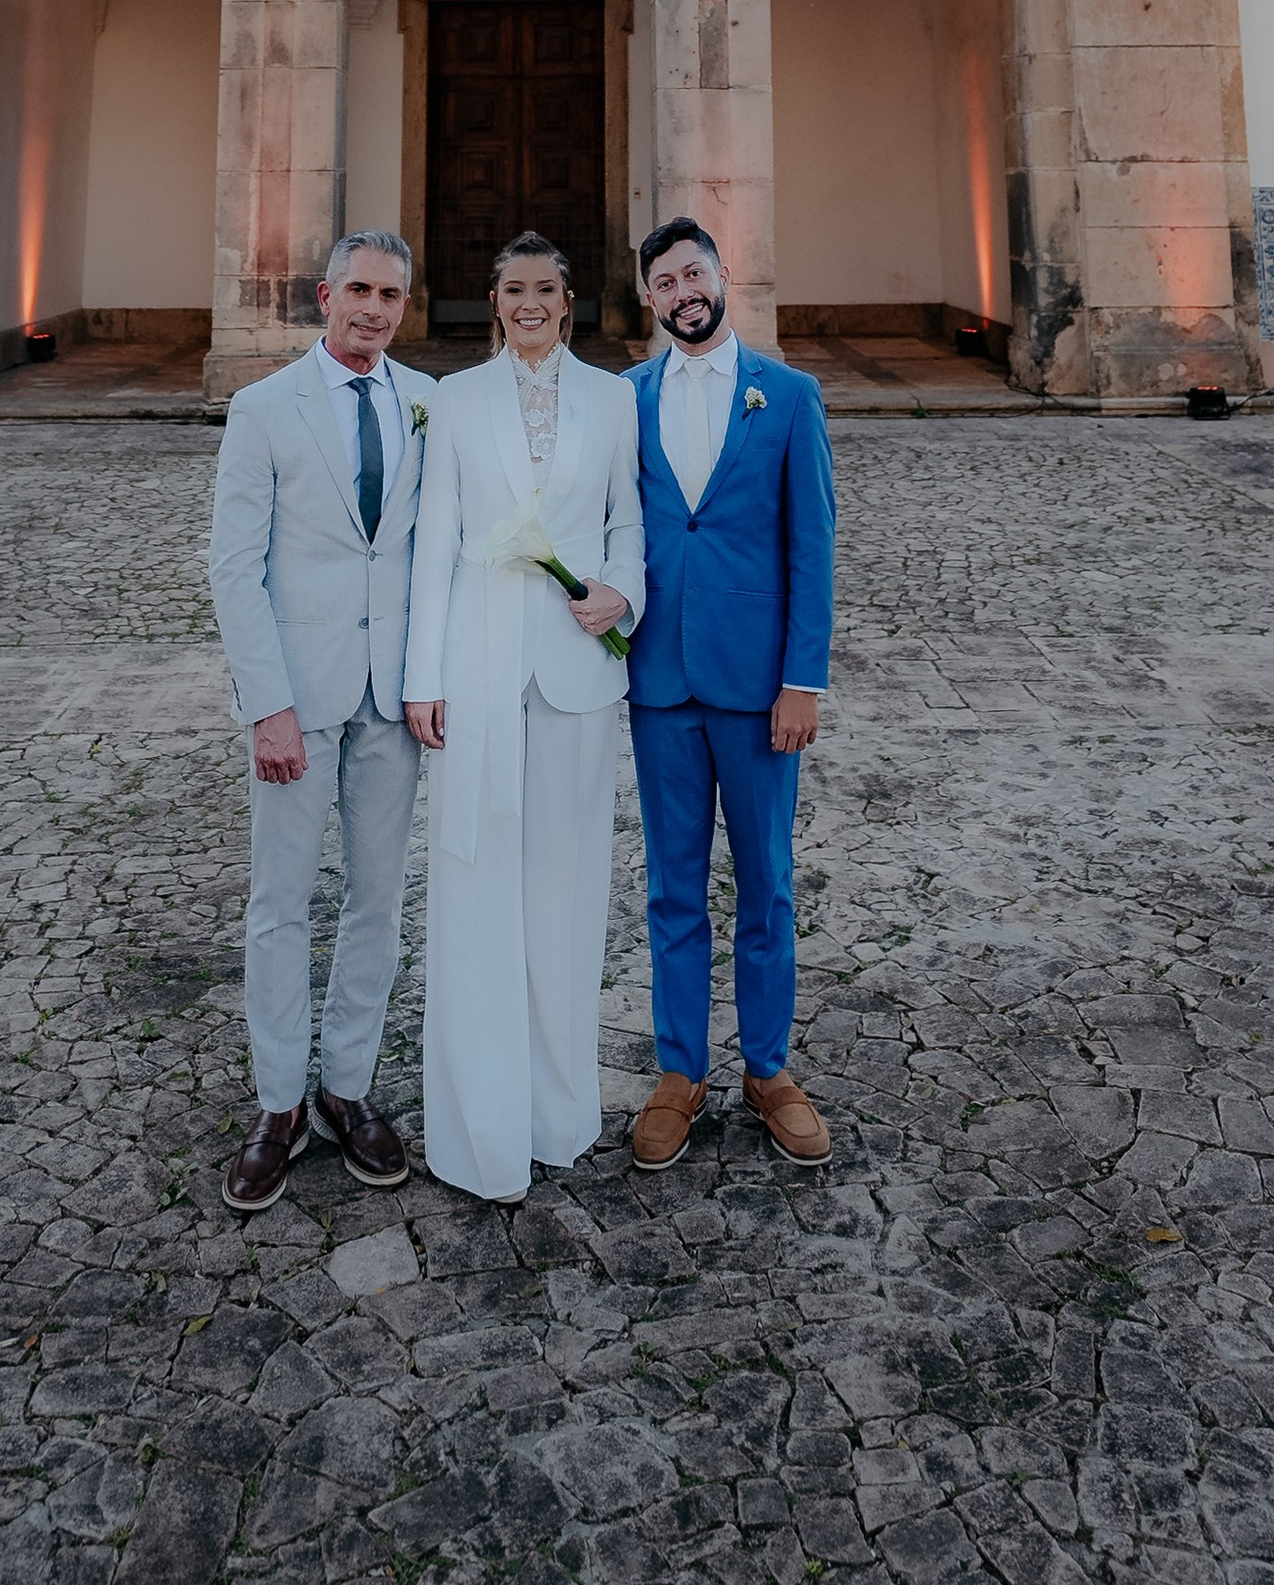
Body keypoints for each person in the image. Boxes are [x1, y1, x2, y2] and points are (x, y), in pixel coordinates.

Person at [401, 232, 645, 1201]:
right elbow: (432, 549)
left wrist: (618, 592)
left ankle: (558, 1108)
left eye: (547, 287)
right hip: (479, 666)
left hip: (578, 671)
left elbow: (628, 519)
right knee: (476, 888)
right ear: (494, 301)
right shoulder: (452, 400)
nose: (531, 302)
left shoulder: (614, 398)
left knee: (568, 891)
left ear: (568, 299)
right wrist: (426, 677)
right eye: (514, 289)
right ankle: (480, 1117)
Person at [205, 230, 430, 1214]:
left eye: (390, 294)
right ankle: (278, 1105)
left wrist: (431, 677)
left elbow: (435, 551)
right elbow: (233, 567)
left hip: (391, 700)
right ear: (323, 293)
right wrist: (268, 706)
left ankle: (347, 1087)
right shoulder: (263, 409)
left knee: (376, 904)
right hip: (297, 698)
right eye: (359, 290)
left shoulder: (427, 402)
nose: (373, 309)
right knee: (280, 902)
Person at [623, 214, 836, 1169]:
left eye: (694, 271)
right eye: (664, 281)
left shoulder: (787, 397)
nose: (683, 291)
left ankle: (769, 1068)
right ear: (649, 299)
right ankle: (679, 1071)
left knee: (767, 886)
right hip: (660, 681)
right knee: (672, 889)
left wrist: (802, 680)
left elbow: (812, 548)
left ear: (722, 275)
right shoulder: (621, 398)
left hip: (758, 691)